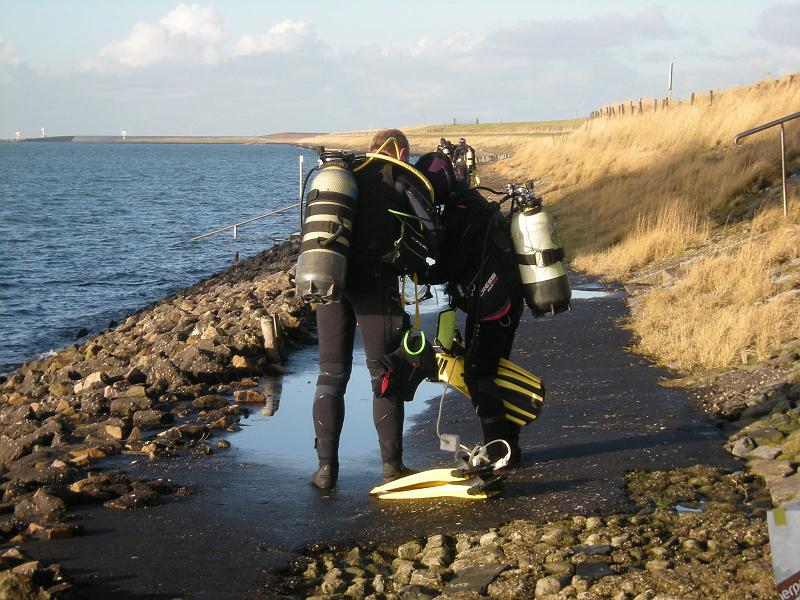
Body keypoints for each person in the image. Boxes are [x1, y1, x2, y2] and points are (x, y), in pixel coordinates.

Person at [310, 129, 418, 489]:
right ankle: (392, 468)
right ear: (400, 151)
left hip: (331, 277)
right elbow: (419, 236)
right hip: (374, 283)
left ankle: (326, 471)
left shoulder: (345, 177)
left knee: (331, 374)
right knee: (384, 375)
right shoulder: (395, 180)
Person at [416, 152, 524, 465]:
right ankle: (507, 445)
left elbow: (451, 265)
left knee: (479, 373)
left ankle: (498, 448)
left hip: (495, 304)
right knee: (493, 371)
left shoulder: (460, 212)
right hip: (504, 298)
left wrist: (420, 271)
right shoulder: (470, 202)